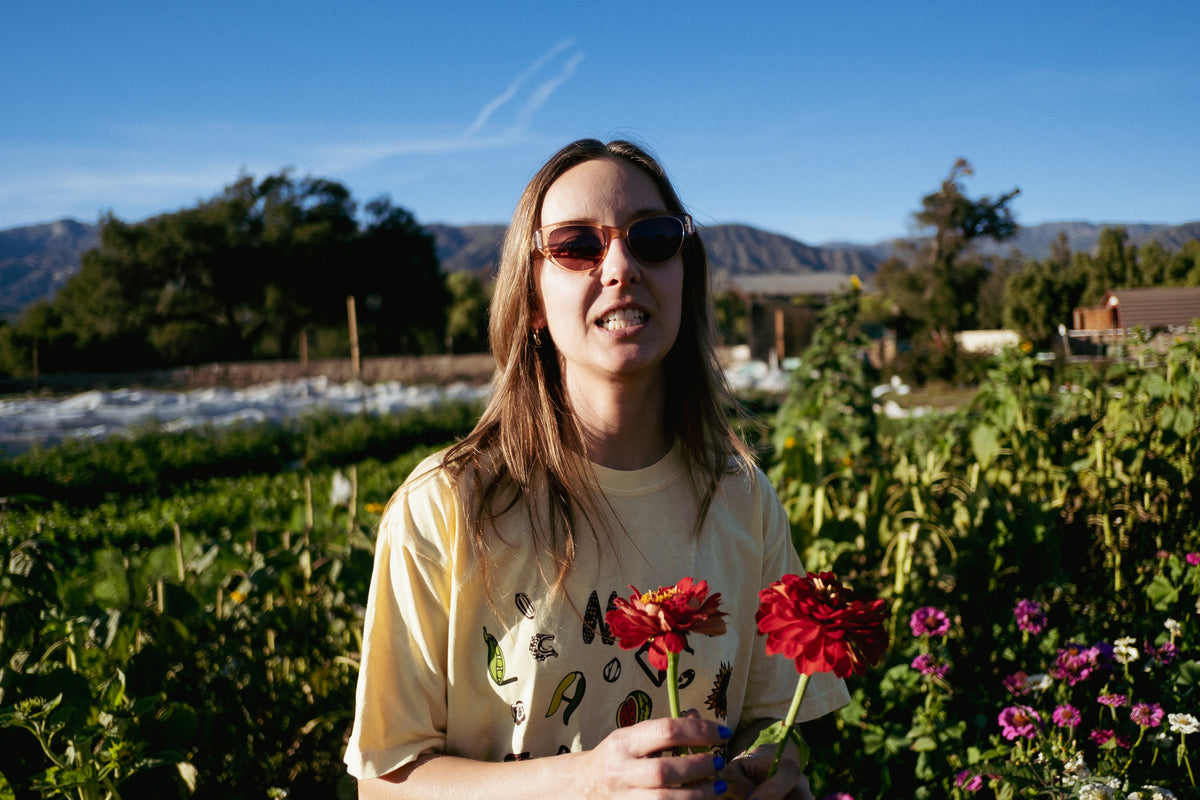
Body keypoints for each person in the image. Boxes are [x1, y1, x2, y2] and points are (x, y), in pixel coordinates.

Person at [345, 139, 849, 799]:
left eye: (655, 238)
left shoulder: (741, 496)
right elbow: (385, 782)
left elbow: (766, 720)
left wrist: (776, 769)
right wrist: (585, 782)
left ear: (683, 276)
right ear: (530, 298)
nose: (621, 265)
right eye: (577, 245)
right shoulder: (445, 504)